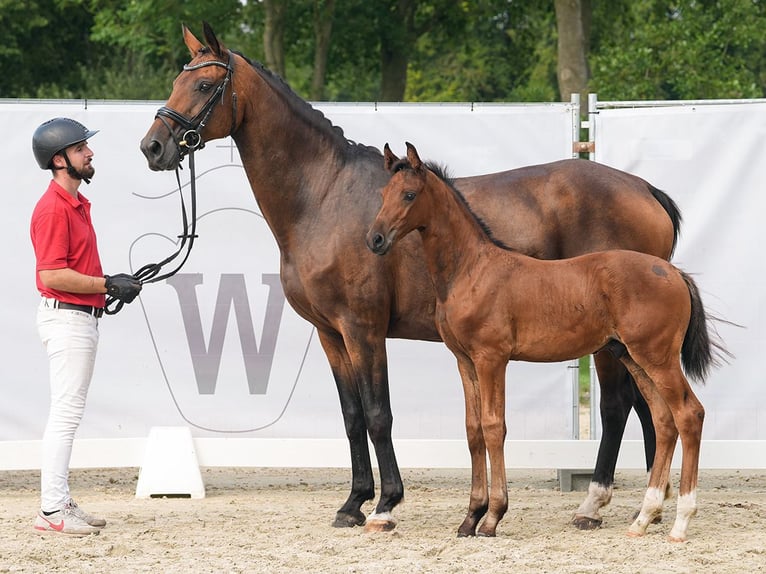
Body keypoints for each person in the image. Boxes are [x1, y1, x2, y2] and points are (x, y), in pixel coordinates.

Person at [29, 117, 142, 536]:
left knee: (67, 413)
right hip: (68, 319)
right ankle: (52, 510)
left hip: (78, 316)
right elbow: (53, 274)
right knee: (65, 414)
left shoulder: (75, 204)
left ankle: (59, 502)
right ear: (60, 160)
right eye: (80, 149)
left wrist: (108, 285)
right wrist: (107, 283)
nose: (89, 153)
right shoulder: (55, 209)